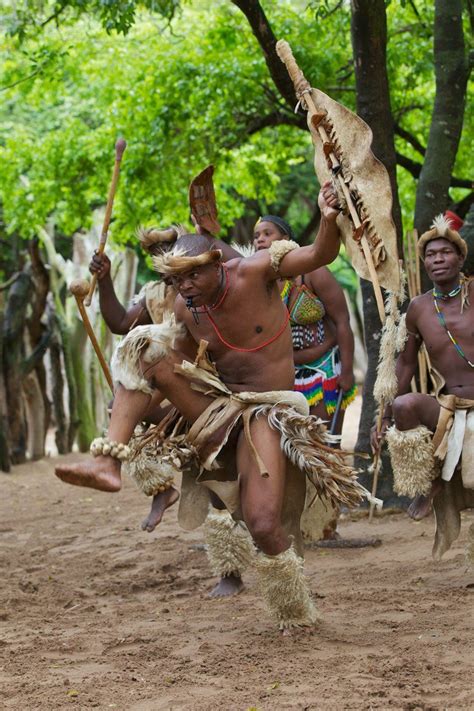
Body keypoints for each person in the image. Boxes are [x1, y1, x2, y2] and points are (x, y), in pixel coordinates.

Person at [56, 182, 366, 630]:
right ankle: (108, 463)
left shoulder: (258, 270)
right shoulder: (185, 306)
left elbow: (320, 254)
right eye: (176, 279)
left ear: (217, 262)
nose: (184, 288)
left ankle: (295, 610)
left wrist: (329, 215)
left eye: (192, 276)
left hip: (268, 409)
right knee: (144, 345)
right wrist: (146, 408)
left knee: (262, 524)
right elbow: (149, 350)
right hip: (217, 405)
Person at [88, 224, 254, 597]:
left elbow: (251, 274)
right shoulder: (158, 296)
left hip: (229, 391)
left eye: (171, 246)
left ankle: (251, 554)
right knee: (123, 406)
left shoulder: (221, 282)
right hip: (179, 388)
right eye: (157, 250)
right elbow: (119, 324)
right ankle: (159, 487)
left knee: (225, 482)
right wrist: (105, 282)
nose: (164, 254)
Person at [371, 215, 474, 560]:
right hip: (449, 405)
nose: (438, 259)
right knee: (405, 407)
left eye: (445, 252)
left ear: (460, 258)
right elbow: (405, 364)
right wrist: (384, 415)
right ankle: (430, 482)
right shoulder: (418, 308)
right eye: (430, 255)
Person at [254, 214, 356, 540]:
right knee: (289, 450)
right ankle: (297, 524)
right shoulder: (261, 283)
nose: (259, 239)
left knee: (324, 448)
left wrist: (349, 371)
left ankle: (327, 525)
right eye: (256, 235)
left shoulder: (312, 273)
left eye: (267, 233)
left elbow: (342, 321)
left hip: (325, 372)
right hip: (285, 377)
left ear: (285, 237)